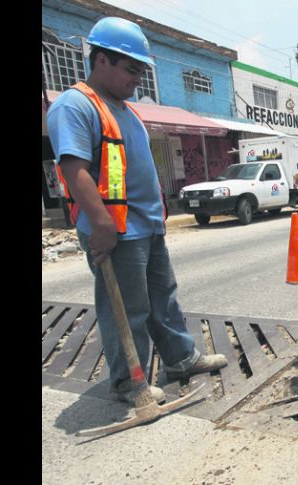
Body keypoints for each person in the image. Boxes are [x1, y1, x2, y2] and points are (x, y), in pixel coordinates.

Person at [46, 17, 227, 404]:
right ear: (101, 62)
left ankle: (180, 358)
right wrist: (99, 223)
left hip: (146, 224)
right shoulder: (76, 105)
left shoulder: (125, 109)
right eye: (132, 69)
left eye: (142, 70)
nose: (138, 79)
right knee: (127, 308)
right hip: (116, 227)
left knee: (163, 296)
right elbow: (73, 168)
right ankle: (130, 381)